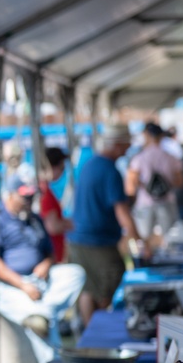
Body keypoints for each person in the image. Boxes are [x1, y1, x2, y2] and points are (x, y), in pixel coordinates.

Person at [0, 171, 85, 363]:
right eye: (24, 196)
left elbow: (50, 252)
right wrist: (23, 285)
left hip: (39, 281)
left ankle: (43, 312)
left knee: (75, 273)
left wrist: (46, 264)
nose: (29, 200)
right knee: (38, 323)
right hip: (7, 285)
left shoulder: (34, 218)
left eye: (31, 196)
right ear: (9, 195)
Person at [67, 124, 144, 327]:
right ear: (118, 144)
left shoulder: (91, 164)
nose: (128, 148)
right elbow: (121, 211)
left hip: (81, 238)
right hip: (97, 242)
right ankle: (98, 333)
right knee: (107, 286)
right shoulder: (110, 170)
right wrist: (139, 240)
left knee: (89, 288)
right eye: (126, 143)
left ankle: (91, 334)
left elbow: (111, 203)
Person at [125, 122, 183, 246]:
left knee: (143, 240)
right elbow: (180, 182)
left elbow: (130, 185)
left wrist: (143, 185)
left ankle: (145, 261)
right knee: (170, 240)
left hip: (145, 203)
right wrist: (165, 184)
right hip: (166, 201)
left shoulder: (139, 158)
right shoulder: (171, 157)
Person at [39, 147, 74, 263]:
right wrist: (73, 224)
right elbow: (52, 227)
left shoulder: (43, 190)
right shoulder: (44, 194)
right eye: (61, 166)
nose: (63, 170)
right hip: (52, 255)